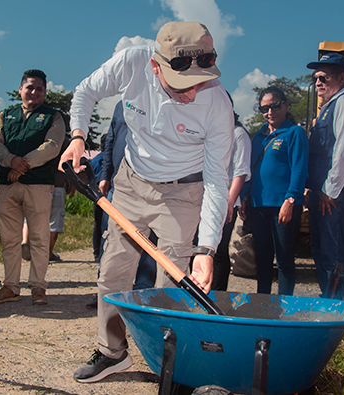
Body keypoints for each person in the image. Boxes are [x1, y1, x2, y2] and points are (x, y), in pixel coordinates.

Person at [62, 21, 233, 383]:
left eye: (200, 80)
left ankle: (170, 360)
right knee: (113, 271)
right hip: (131, 183)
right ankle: (112, 352)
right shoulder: (132, 63)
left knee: (172, 282)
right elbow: (85, 92)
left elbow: (218, 180)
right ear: (156, 66)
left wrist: (207, 248)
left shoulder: (217, 103)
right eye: (183, 83)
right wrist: (78, 136)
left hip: (184, 193)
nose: (193, 91)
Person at [0, 69, 65, 306]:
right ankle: (10, 286)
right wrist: (11, 162)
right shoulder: (5, 114)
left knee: (39, 238)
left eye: (39, 88)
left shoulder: (54, 116)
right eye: (29, 87)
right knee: (10, 239)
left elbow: (52, 146)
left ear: (45, 92)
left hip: (38, 185)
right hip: (7, 185)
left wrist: (21, 165)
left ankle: (38, 287)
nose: (34, 92)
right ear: (20, 89)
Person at [305, 53, 344, 300]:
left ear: (341, 77)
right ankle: (328, 301)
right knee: (321, 250)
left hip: (334, 195)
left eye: (324, 77)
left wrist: (330, 189)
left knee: (334, 252)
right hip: (323, 192)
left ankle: (337, 307)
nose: (318, 82)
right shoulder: (328, 106)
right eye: (316, 78)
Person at [242, 86, 307, 295]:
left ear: (286, 105)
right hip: (259, 205)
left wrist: (290, 200)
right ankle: (263, 303)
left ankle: (284, 306)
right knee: (262, 258)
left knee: (285, 258)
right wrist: (244, 197)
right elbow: (250, 169)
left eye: (275, 106)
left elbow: (299, 169)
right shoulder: (259, 136)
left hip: (283, 206)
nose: (270, 112)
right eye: (264, 108)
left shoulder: (294, 133)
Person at [98, 100, 158, 290]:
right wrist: (105, 175)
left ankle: (143, 291)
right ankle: (108, 290)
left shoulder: (162, 100)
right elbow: (111, 140)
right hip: (118, 184)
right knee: (110, 240)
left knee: (149, 242)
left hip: (152, 185)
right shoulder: (121, 104)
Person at [211, 99, 250, 292]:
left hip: (225, 201)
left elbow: (240, 171)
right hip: (205, 199)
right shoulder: (211, 132)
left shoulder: (238, 134)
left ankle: (216, 297)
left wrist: (230, 201)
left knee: (218, 251)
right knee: (201, 249)